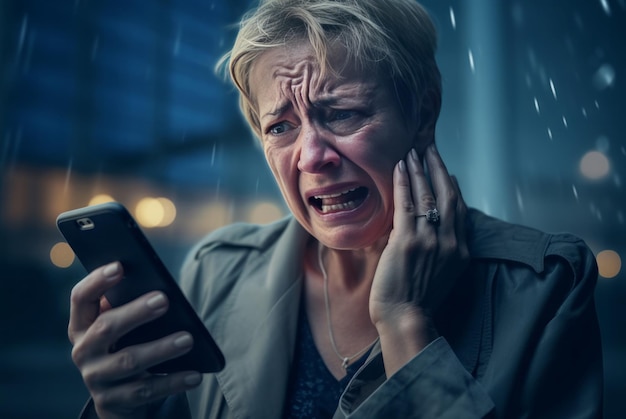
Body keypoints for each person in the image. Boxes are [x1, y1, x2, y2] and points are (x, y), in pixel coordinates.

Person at [67, 0, 604, 417]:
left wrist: (405, 325)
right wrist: (123, 412)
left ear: (423, 110)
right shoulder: (219, 267)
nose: (312, 157)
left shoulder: (542, 285)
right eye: (280, 127)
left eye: (342, 113)